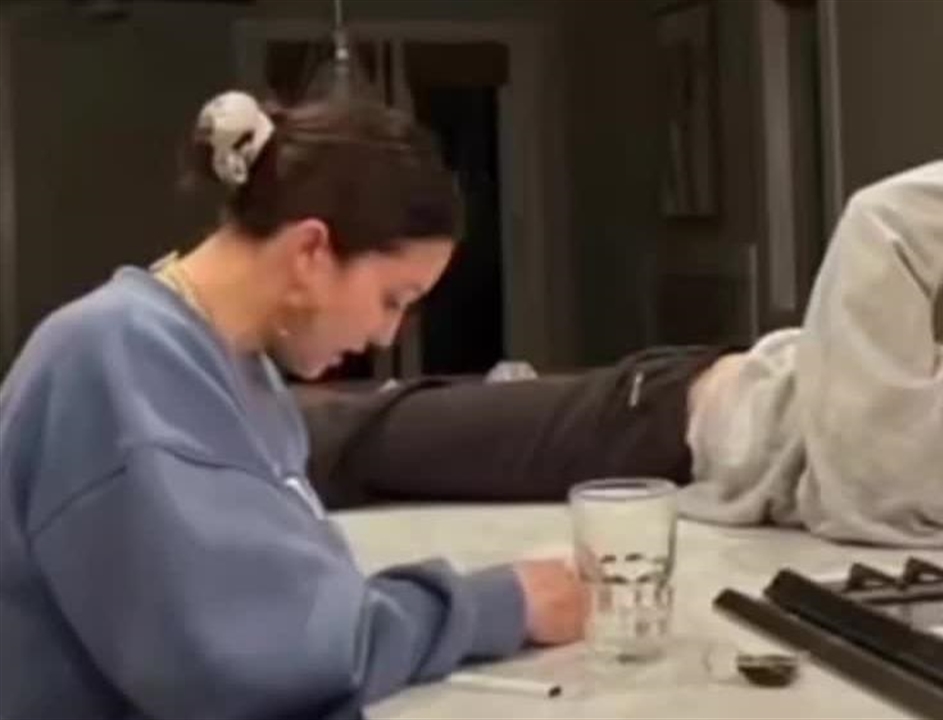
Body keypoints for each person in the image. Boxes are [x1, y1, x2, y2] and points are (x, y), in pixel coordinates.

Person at [300, 143, 943, 546]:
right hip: (666, 404)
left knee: (372, 430)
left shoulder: (921, 463)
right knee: (403, 424)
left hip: (641, 428)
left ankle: (208, 450)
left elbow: (882, 228)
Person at [0, 91, 586, 720]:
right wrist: (494, 607)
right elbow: (265, 660)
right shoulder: (114, 361)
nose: (387, 335)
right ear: (311, 252)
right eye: (393, 299)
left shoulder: (238, 372)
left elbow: (307, 609)